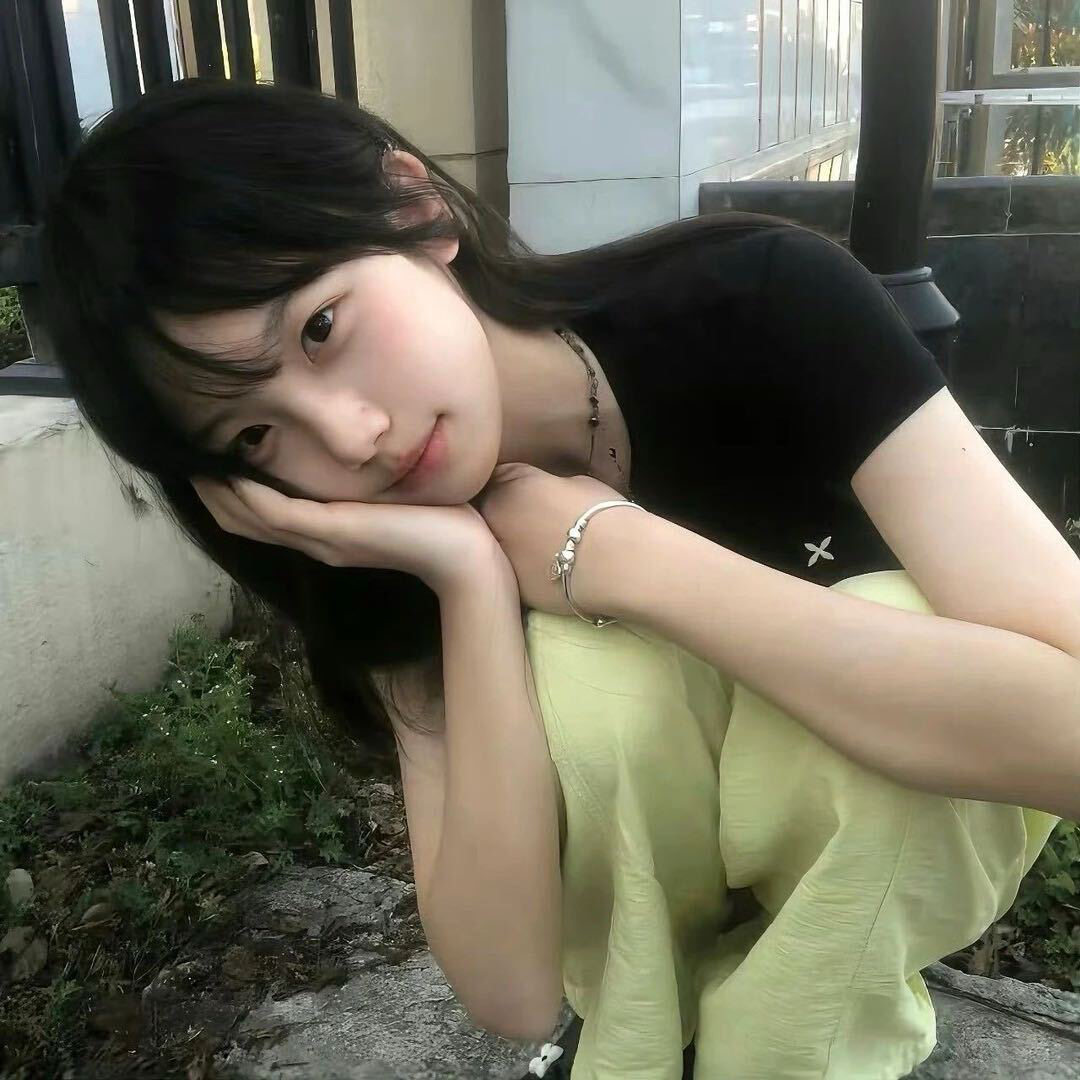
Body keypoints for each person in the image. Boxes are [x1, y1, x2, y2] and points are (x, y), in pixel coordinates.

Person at [39, 78, 1078, 1078]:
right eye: (254, 434)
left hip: (889, 842)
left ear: (413, 205)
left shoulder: (763, 302)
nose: (349, 437)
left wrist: (612, 555)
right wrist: (470, 582)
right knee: (586, 683)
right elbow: (512, 991)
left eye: (320, 329)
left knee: (890, 610)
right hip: (649, 967)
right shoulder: (382, 548)